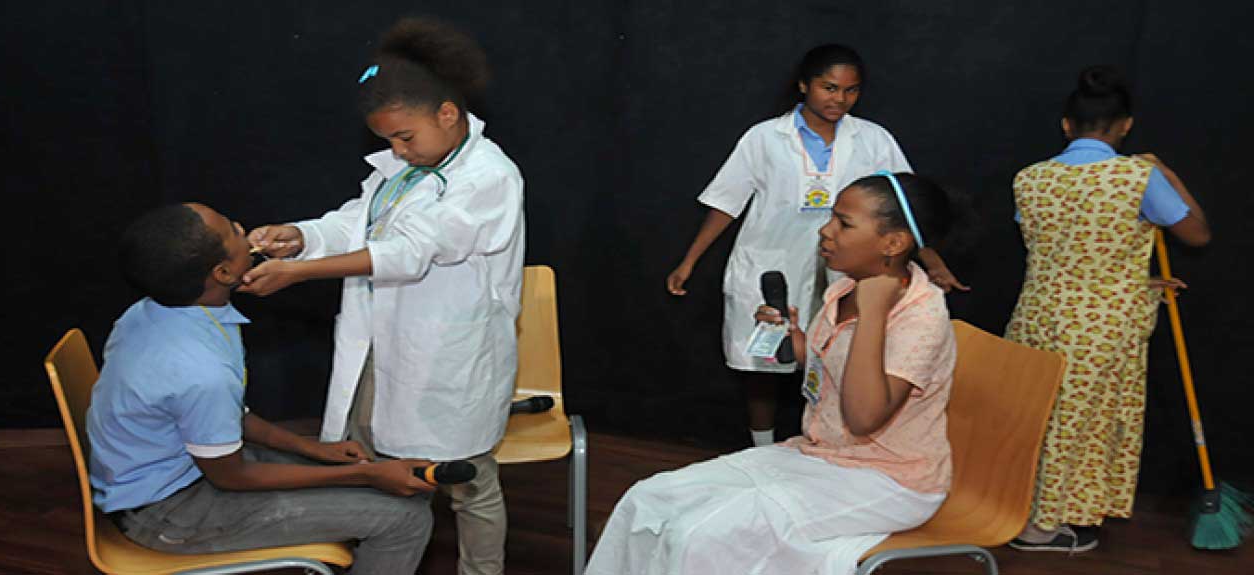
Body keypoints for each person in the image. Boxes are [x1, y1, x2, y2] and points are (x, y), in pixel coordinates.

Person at [242, 17, 523, 575]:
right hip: (383, 346)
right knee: (380, 458)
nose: (397, 151)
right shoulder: (404, 168)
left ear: (448, 114)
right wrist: (302, 237)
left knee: (469, 483)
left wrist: (301, 273)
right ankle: (391, 551)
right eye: (388, 141)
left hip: (449, 359)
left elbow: (411, 251)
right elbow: (361, 222)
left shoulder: (489, 178)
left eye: (404, 137)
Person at [591, 173, 959, 575]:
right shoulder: (844, 289)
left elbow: (865, 416)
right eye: (831, 217)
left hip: (890, 480)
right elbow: (827, 364)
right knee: (648, 498)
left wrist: (873, 315)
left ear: (894, 243)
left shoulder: (921, 315)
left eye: (843, 223)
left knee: (698, 534)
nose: (826, 230)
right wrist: (793, 337)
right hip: (821, 454)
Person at [88, 203, 435, 574]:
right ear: (222, 273)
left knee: (377, 481)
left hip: (181, 473)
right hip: (171, 511)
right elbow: (230, 476)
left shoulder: (151, 312)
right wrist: (362, 475)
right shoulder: (201, 370)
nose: (242, 226)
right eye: (232, 231)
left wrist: (314, 450)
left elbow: (231, 417)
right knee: (405, 518)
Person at [664, 44, 966, 448]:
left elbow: (905, 212)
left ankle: (831, 444)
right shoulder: (765, 138)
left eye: (851, 91)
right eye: (829, 87)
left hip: (846, 271)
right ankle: (763, 449)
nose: (839, 99)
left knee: (840, 356)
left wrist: (934, 263)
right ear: (804, 85)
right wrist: (690, 261)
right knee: (763, 362)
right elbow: (726, 203)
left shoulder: (873, 139)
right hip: (771, 264)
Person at [1005, 66, 1211, 553]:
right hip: (1100, 328)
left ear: (1066, 125)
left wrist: (1134, 277)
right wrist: (1167, 175)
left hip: (1037, 314)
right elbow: (1197, 233)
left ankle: (1016, 506)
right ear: (1124, 127)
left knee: (1034, 414)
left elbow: (1067, 247)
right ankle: (1042, 527)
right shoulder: (1137, 177)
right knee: (1081, 422)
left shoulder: (1030, 179)